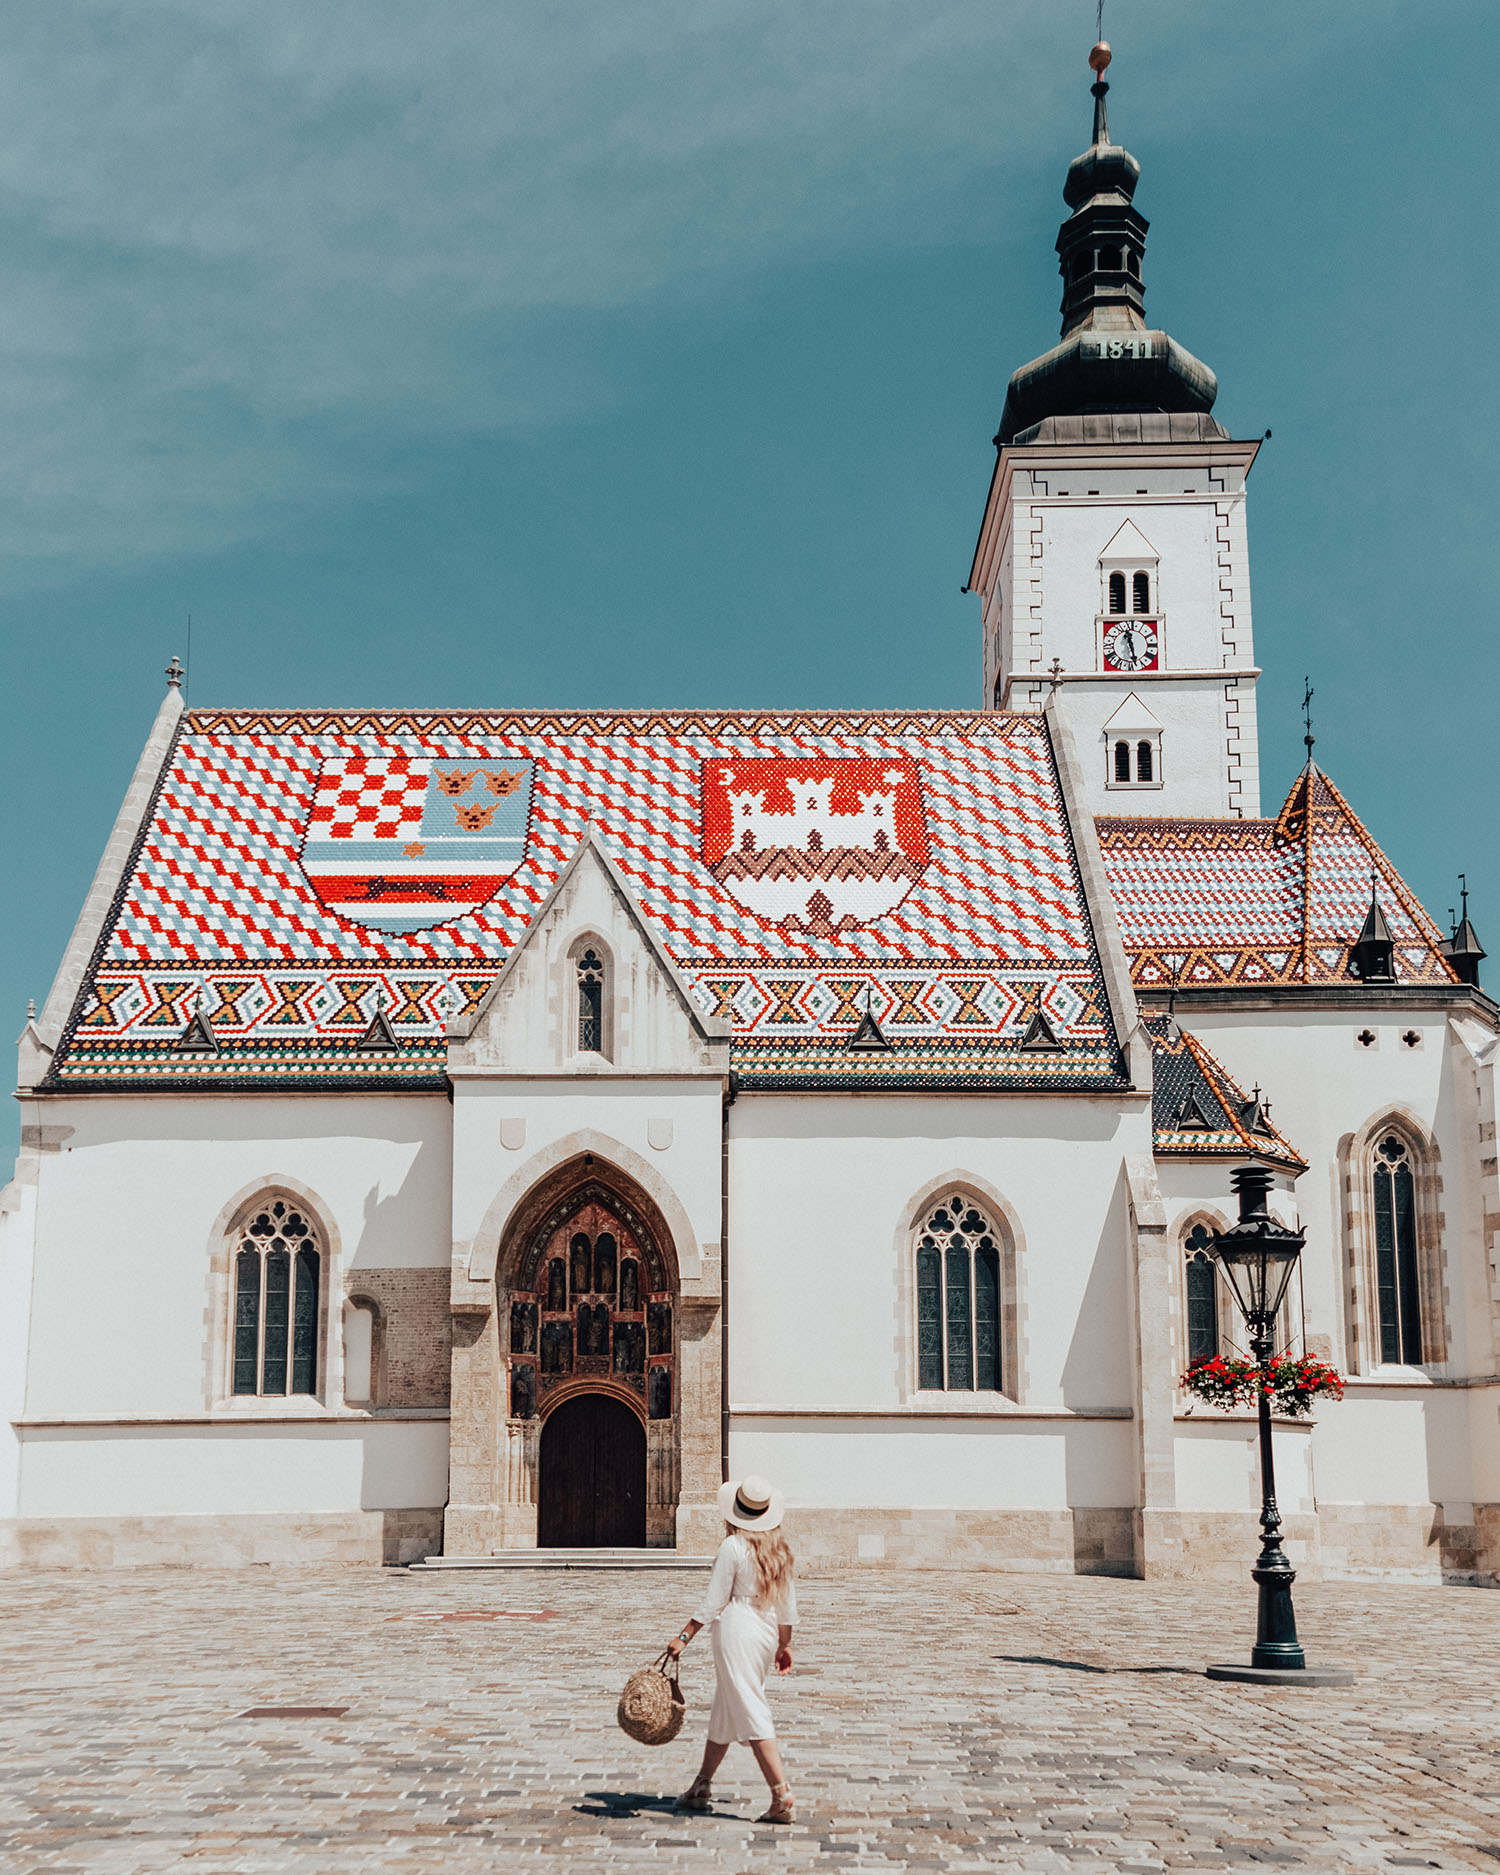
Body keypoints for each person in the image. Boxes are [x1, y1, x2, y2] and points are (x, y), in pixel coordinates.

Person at [665, 1474, 797, 1825]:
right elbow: (787, 1606)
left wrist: (684, 1636)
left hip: (737, 1627)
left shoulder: (733, 1546)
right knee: (727, 1706)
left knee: (749, 1706)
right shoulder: (780, 1551)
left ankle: (781, 1794)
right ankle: (701, 1785)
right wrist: (784, 1644)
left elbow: (715, 1600)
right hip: (766, 1628)